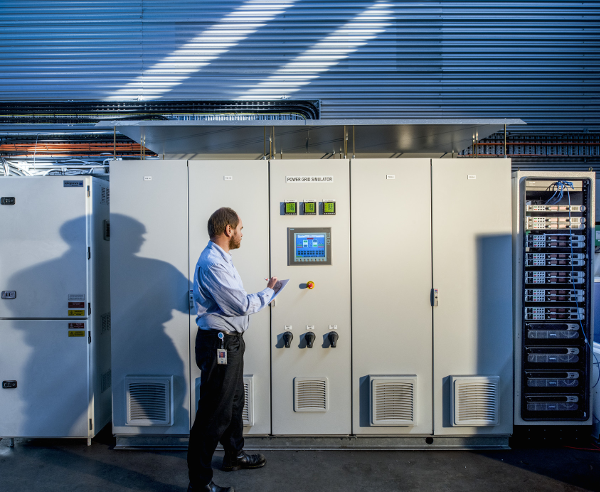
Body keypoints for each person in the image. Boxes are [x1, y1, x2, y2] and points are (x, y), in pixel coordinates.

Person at [187, 207, 277, 492]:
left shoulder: (223, 259)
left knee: (235, 401)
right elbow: (239, 305)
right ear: (228, 230)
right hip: (219, 343)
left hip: (231, 341)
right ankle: (199, 484)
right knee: (214, 413)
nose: (241, 233)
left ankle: (234, 455)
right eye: (239, 228)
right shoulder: (213, 262)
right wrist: (269, 293)